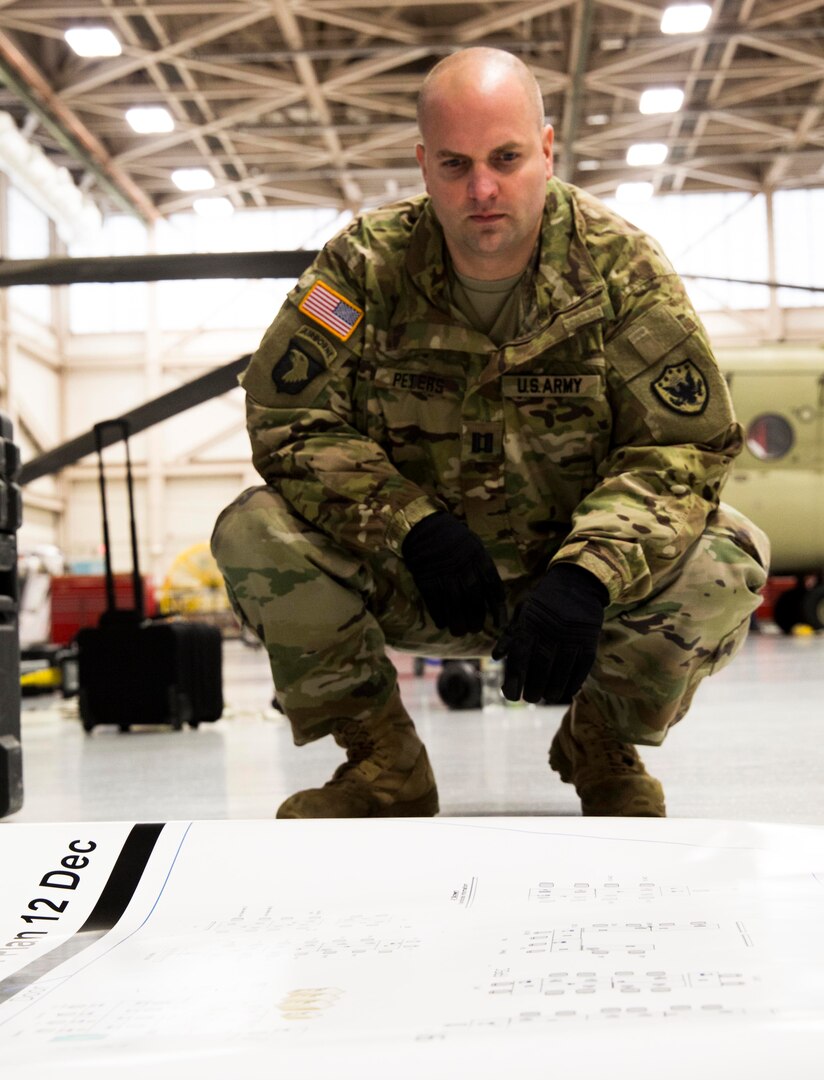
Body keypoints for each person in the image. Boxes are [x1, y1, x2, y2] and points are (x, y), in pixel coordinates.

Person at [211, 47, 769, 819]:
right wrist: (409, 526)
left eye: (506, 158)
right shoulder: (362, 271)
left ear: (545, 149)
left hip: (570, 590)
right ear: (422, 163)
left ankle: (599, 740)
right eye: (454, 164)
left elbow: (682, 447)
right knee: (253, 529)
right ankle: (383, 764)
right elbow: (288, 418)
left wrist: (588, 575)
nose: (481, 189)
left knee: (729, 555)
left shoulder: (622, 272)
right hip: (420, 580)